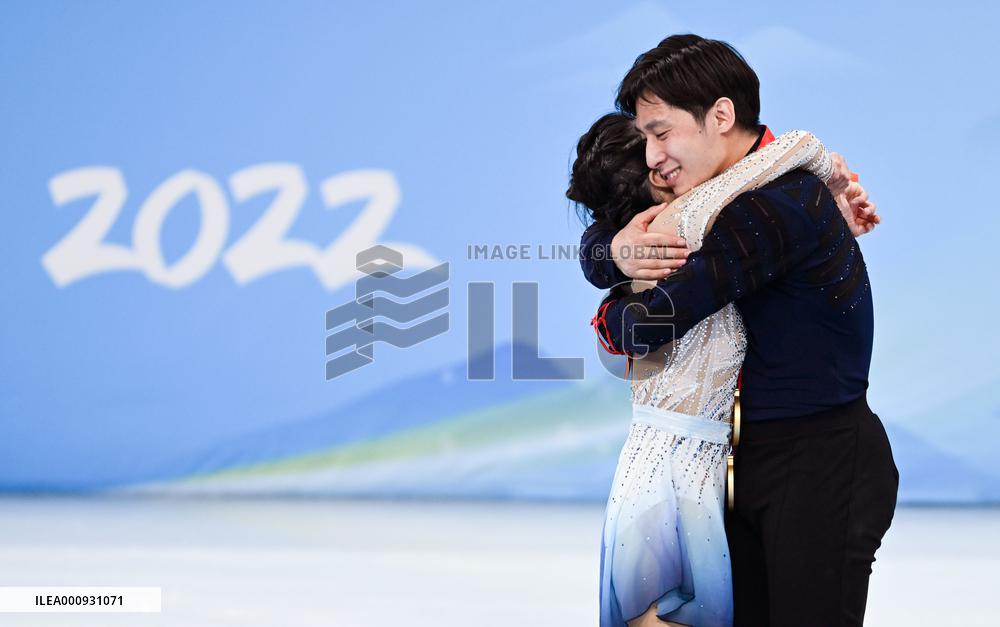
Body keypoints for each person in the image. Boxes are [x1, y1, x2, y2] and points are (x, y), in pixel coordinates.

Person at [582, 34, 898, 626]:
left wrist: (607, 312)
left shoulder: (772, 208)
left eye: (660, 133)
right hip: (749, 463)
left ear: (721, 116)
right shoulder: (746, 189)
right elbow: (610, 210)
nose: (651, 156)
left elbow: (648, 327)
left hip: (819, 465)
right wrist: (613, 252)